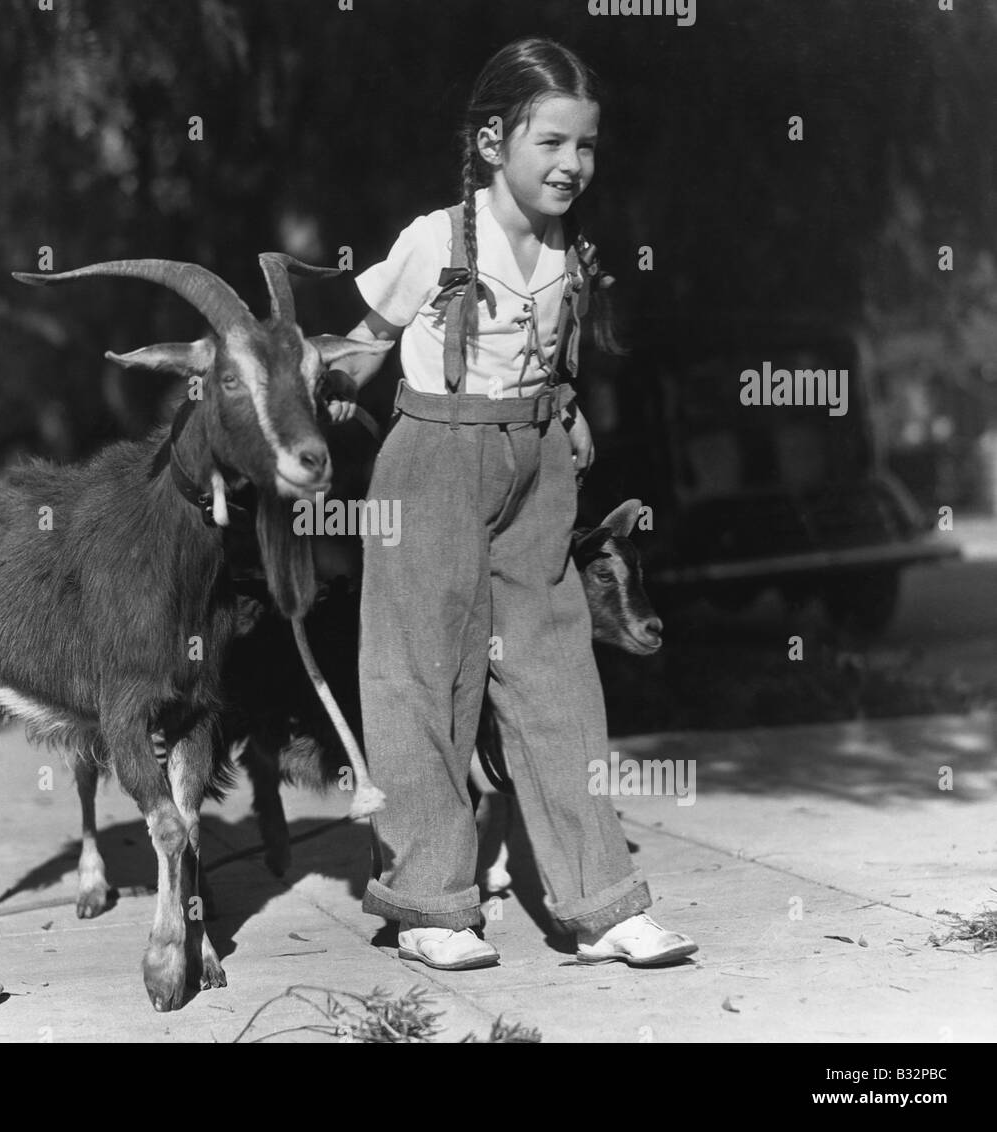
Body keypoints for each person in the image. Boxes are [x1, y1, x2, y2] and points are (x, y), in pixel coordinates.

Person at [326, 37, 698, 971]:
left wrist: (563, 410)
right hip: (432, 461)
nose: (573, 164)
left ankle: (603, 902)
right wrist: (308, 383)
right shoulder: (433, 238)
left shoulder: (571, 247)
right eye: (551, 143)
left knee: (555, 670)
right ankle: (430, 907)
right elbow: (367, 341)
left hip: (535, 467)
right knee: (422, 675)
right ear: (493, 142)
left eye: (587, 145)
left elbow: (550, 348)